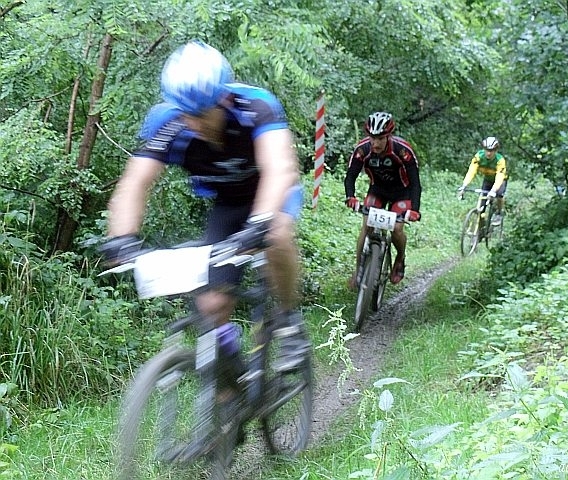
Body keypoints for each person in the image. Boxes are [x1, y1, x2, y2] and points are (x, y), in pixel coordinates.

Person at [99, 40, 310, 375]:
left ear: (223, 99)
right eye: (185, 114)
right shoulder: (168, 122)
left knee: (278, 233)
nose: (193, 123)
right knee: (212, 303)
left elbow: (280, 168)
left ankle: (289, 321)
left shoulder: (256, 106)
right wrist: (121, 239)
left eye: (200, 114)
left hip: (272, 193)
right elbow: (134, 183)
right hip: (229, 203)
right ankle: (229, 387)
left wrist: (260, 223)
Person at [344, 112, 422, 287]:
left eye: (380, 138)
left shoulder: (402, 150)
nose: (375, 143)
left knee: (397, 229)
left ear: (388, 136)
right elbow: (350, 177)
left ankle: (400, 258)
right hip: (377, 191)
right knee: (367, 225)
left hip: (402, 192)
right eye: (372, 138)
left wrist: (415, 209)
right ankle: (358, 271)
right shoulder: (362, 150)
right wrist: (351, 197)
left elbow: (416, 183)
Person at [458, 136, 508, 223]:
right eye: (487, 150)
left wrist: (493, 190)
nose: (488, 153)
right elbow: (471, 171)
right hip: (488, 179)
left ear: (496, 150)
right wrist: (464, 185)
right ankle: (481, 226)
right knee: (482, 205)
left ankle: (499, 213)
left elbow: (499, 177)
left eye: (491, 150)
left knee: (499, 195)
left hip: (500, 181)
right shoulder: (479, 157)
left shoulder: (500, 160)